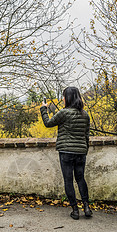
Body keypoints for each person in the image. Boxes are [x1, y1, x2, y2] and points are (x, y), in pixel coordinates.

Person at [40, 87, 92, 220]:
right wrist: (84, 149)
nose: (63, 99)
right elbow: (86, 135)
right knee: (80, 179)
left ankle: (75, 210)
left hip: (66, 152)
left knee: (68, 181)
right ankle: (86, 207)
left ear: (67, 98)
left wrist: (44, 109)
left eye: (64, 96)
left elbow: (48, 123)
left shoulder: (64, 113)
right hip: (81, 152)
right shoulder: (85, 114)